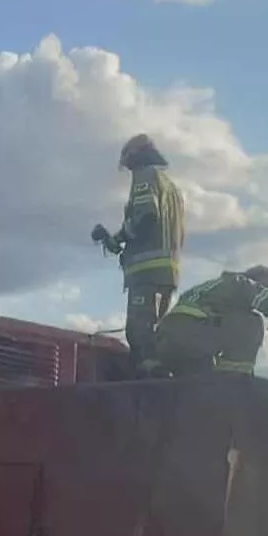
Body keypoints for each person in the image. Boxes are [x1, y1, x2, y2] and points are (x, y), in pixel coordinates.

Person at [90, 133, 186, 375]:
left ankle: (146, 379)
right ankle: (158, 373)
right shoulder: (171, 187)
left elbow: (146, 215)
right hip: (168, 272)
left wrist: (122, 237)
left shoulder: (144, 176)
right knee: (155, 329)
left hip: (146, 271)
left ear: (135, 157)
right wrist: (116, 239)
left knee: (139, 330)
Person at [154, 266, 268, 377]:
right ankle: (233, 379)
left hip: (168, 345)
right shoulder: (239, 283)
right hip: (191, 336)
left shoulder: (216, 288)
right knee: (251, 324)